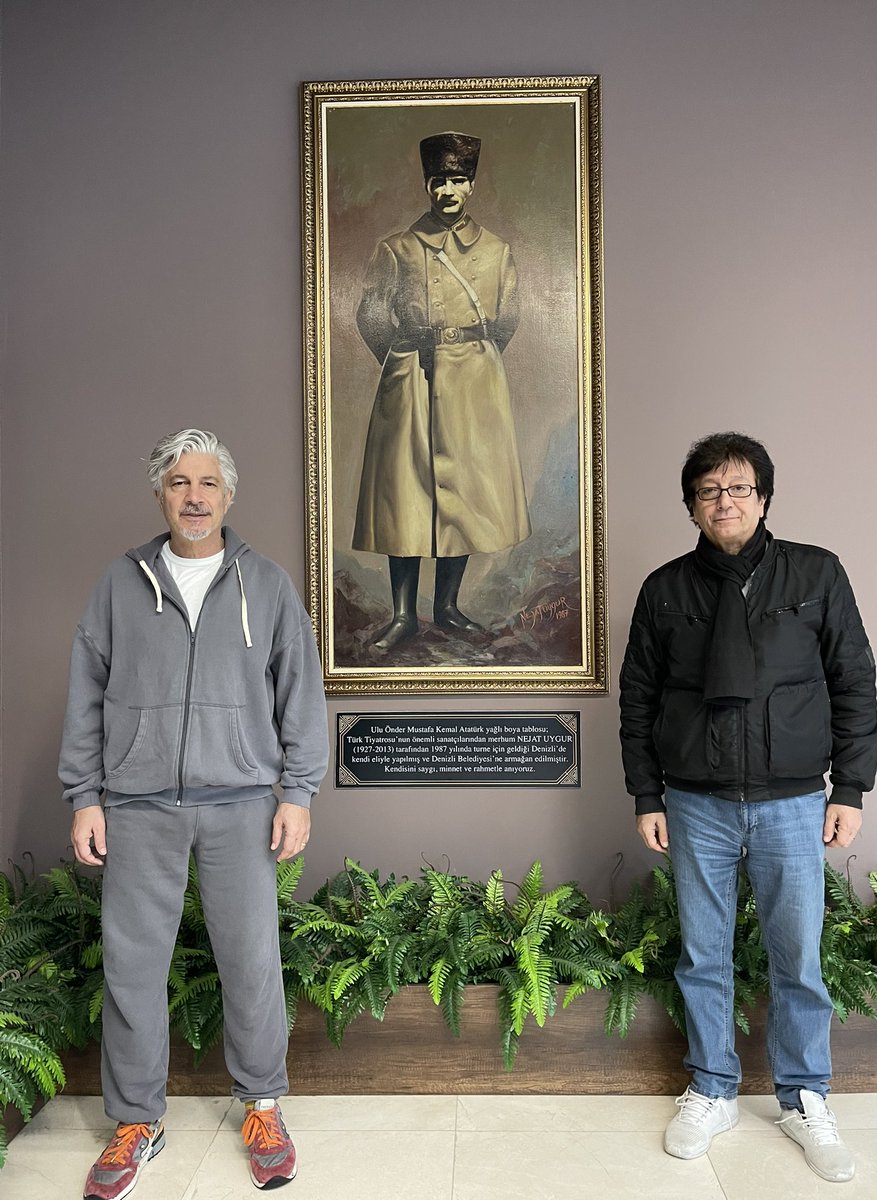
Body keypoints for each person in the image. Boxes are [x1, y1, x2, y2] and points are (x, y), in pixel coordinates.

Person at [59, 429, 329, 1199]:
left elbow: (300, 698)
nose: (195, 496)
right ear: (159, 494)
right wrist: (86, 796)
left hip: (242, 802)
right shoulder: (120, 582)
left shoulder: (269, 585)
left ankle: (264, 1106)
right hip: (137, 805)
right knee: (133, 969)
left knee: (250, 962)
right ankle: (137, 1120)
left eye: (208, 482)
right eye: (179, 482)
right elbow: (85, 695)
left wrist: (298, 793)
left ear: (229, 495)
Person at [619, 431, 877, 1183]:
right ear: (692, 505)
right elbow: (638, 699)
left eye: (738, 488)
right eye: (709, 491)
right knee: (704, 955)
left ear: (763, 498)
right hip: (695, 802)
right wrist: (648, 793)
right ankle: (712, 1088)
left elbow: (854, 681)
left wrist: (851, 788)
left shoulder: (817, 573)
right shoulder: (665, 589)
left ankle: (805, 1099)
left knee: (797, 958)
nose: (724, 501)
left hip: (795, 801)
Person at [353, 130, 531, 650]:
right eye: (439, 180)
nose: (448, 189)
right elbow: (371, 315)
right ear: (428, 185)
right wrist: (403, 358)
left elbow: (509, 319)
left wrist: (471, 359)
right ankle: (404, 614)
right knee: (404, 491)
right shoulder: (398, 248)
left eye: (457, 179)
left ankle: (448, 607)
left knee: (467, 491)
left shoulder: (498, 251)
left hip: (473, 381)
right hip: (409, 376)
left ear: (471, 186)